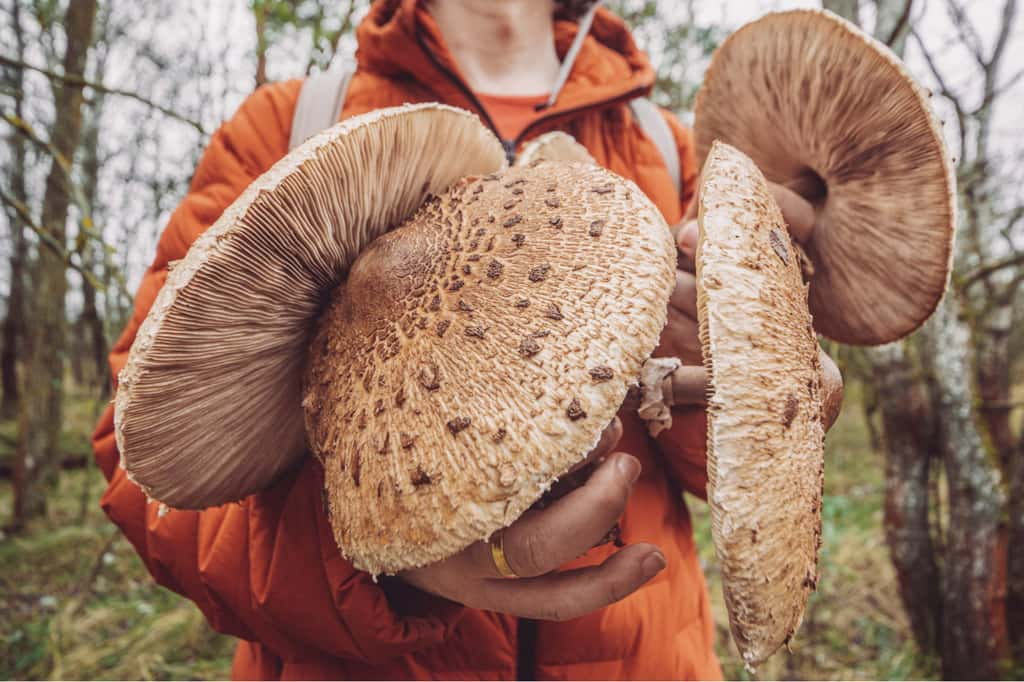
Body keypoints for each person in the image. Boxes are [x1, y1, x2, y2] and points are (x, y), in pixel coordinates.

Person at [92, 1, 841, 679]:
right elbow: (148, 464)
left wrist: (763, 375)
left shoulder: (665, 147)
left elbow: (712, 463)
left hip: (642, 653)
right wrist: (382, 544)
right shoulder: (291, 123)